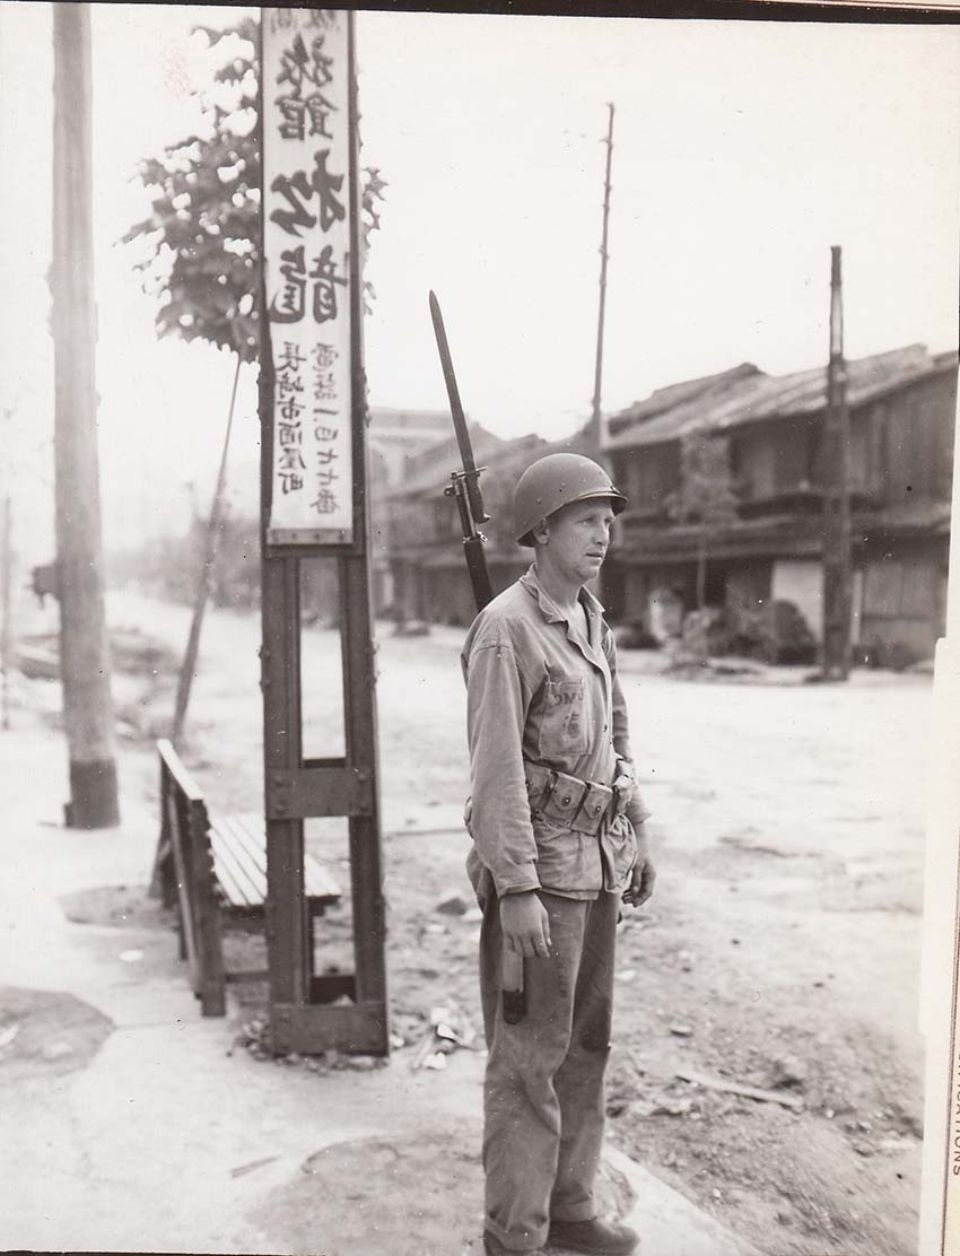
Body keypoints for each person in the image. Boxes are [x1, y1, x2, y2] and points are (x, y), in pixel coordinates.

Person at [461, 452, 657, 1256]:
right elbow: (496, 770)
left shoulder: (590, 619)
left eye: (608, 521)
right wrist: (514, 887)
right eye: (586, 520)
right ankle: (515, 1236)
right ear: (540, 531)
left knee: (587, 1051)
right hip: (541, 876)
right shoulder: (507, 628)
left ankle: (572, 1210)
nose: (603, 534)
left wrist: (638, 824)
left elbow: (614, 734)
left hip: (598, 864)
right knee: (528, 1064)